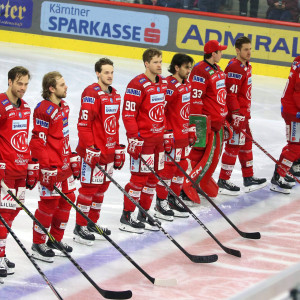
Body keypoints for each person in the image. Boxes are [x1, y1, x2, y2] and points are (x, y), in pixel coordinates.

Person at [73, 58, 124, 245]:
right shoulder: (91, 93)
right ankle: (80, 227)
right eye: (106, 72)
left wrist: (118, 147)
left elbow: (114, 125)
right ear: (98, 74)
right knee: (88, 190)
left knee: (101, 190)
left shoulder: (116, 95)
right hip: (93, 153)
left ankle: (91, 222)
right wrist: (90, 148)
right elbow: (83, 124)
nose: (110, 76)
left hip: (108, 153)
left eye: (111, 72)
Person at [30, 71, 78, 262]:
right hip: (50, 168)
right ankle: (38, 242)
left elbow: (63, 136)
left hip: (64, 164)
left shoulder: (63, 107)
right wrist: (44, 167)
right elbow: (37, 143)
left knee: (67, 200)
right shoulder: (43, 110)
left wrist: (72, 156)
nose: (66, 87)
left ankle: (54, 240)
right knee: (48, 205)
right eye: (62, 84)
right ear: (51, 88)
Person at [120, 48, 169, 233]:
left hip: (158, 141)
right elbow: (128, 114)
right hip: (144, 141)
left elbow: (161, 111)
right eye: (156, 62)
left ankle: (144, 212)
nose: (159, 65)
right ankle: (127, 215)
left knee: (153, 178)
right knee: (138, 179)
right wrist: (133, 137)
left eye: (161, 61)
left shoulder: (163, 83)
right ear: (146, 63)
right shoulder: (136, 84)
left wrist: (166, 133)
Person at [0, 66, 38, 282]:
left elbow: (22, 138)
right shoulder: (0, 104)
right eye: (19, 83)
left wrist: (31, 165)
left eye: (25, 84)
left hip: (20, 171)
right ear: (10, 81)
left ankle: (1, 254)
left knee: (13, 213)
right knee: (3, 216)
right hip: (4, 170)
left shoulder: (25, 108)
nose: (22, 88)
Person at [182, 40, 230, 204]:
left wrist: (225, 119)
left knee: (213, 158)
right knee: (199, 155)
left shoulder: (218, 70)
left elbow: (220, 98)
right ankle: (186, 184)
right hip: (205, 123)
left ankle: (202, 181)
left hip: (218, 123)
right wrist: (196, 125)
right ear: (213, 53)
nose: (222, 54)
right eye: (220, 51)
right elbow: (196, 99)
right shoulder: (200, 70)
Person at [217, 36, 267, 195]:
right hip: (236, 117)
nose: (249, 52)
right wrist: (236, 115)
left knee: (246, 145)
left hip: (244, 115)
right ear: (237, 50)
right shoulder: (234, 68)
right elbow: (230, 95)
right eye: (246, 49)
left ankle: (248, 177)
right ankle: (223, 180)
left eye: (250, 49)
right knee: (234, 146)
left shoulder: (246, 66)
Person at [155, 53, 195, 220]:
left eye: (190, 68)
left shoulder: (187, 85)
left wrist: (191, 127)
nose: (189, 71)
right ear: (177, 67)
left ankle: (173, 198)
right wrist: (165, 133)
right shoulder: (169, 86)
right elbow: (160, 111)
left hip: (183, 135)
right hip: (171, 137)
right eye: (186, 67)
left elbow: (187, 109)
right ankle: (161, 201)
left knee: (182, 166)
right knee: (167, 170)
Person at [270, 56, 300, 194]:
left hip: (291, 108)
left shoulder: (298, 60)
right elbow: (298, 93)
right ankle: (278, 178)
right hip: (295, 111)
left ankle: (280, 173)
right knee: (295, 148)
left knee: (293, 145)